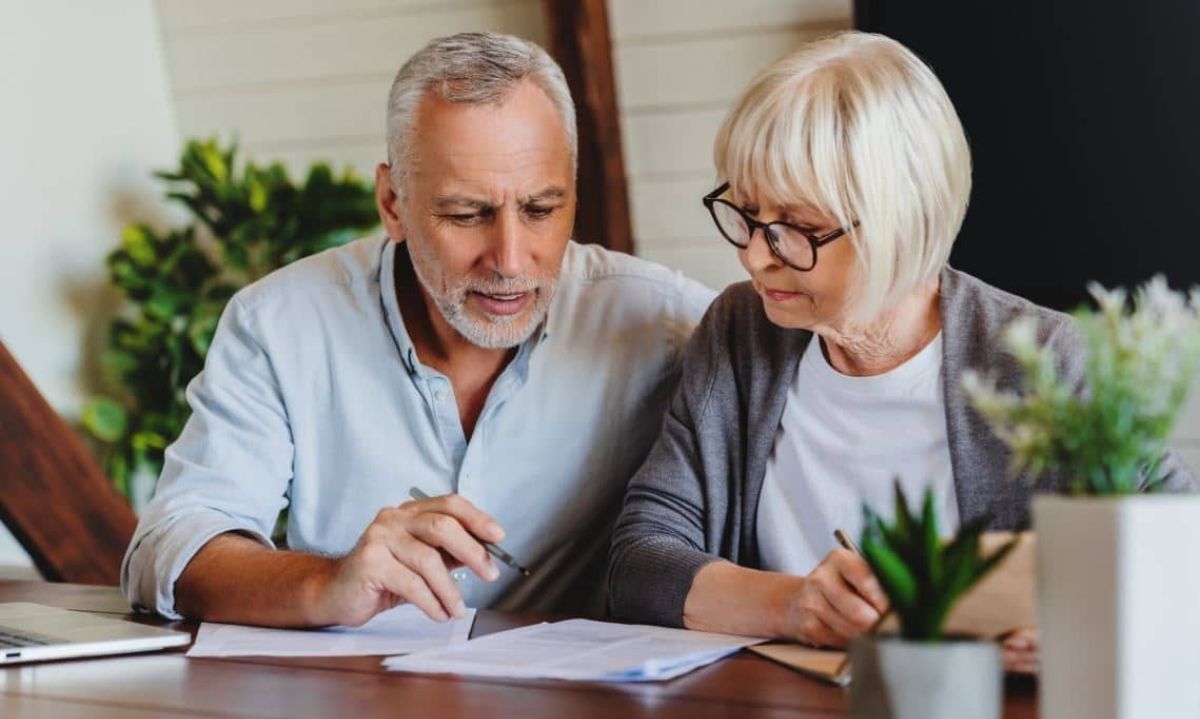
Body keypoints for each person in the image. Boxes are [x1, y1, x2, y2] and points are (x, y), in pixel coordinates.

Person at [607, 31, 1196, 672]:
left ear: (900, 220)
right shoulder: (739, 333)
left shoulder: (1048, 361)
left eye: (795, 228)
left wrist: (1094, 626)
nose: (753, 254)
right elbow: (641, 559)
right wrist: (793, 604)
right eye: (746, 213)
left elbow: (1180, 560)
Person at [122, 32, 714, 628]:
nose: (510, 259)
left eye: (540, 210)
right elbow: (169, 547)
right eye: (466, 214)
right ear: (392, 203)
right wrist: (328, 585)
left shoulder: (662, 322)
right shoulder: (279, 324)